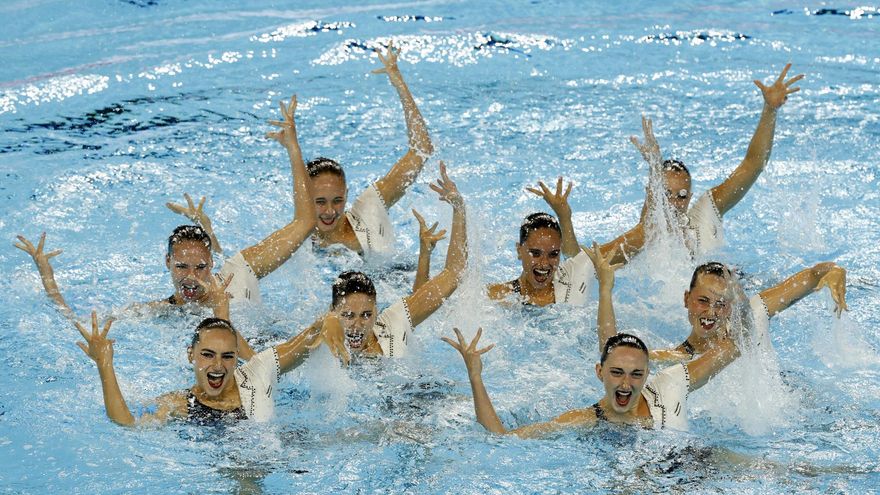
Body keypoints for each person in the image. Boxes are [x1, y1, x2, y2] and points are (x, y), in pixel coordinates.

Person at [15, 95, 315, 318]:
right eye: (182, 266)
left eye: (200, 267)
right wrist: (46, 275)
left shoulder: (240, 271)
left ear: (212, 263)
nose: (191, 277)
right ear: (167, 263)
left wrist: (293, 148)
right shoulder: (163, 312)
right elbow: (79, 321)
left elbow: (305, 222)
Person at [444, 245, 750, 435]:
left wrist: (737, 295)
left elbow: (737, 343)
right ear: (599, 372)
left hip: (694, 464)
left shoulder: (671, 383)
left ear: (648, 375)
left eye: (636, 374)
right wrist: (475, 377)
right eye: (617, 373)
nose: (627, 384)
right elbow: (503, 438)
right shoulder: (587, 419)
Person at [612, 63, 805, 259]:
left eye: (682, 195)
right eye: (666, 194)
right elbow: (589, 260)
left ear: (690, 197)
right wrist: (654, 168)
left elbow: (753, 164)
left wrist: (770, 110)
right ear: (652, 193)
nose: (674, 203)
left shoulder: (704, 214)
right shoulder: (640, 240)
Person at [75, 303, 345, 426]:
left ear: (237, 356)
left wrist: (330, 319)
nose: (218, 365)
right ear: (190, 354)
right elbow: (128, 424)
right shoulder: (181, 404)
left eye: (228, 356)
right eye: (207, 354)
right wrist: (105, 365)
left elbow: (306, 339)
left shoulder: (258, 372)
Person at [309, 162, 466, 361]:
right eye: (348, 316)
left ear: (376, 312)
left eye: (366, 315)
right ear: (333, 314)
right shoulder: (321, 347)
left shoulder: (391, 324)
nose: (357, 326)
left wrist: (459, 210)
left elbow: (454, 273)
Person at [308, 42, 435, 257]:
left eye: (337, 200)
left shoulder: (367, 211)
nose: (330, 211)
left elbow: (421, 150)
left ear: (346, 195)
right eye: (320, 202)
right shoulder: (298, 241)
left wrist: (399, 85)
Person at [650, 260, 847, 362]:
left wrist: (835, 270)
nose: (711, 312)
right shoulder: (676, 361)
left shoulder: (753, 315)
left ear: (732, 304)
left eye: (721, 303)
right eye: (703, 301)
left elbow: (811, 276)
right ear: (686, 299)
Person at [486, 178, 630, 307]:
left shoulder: (578, 272)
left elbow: (642, 235)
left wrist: (652, 161)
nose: (544, 263)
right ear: (519, 250)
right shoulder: (498, 297)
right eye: (535, 253)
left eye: (553, 254)